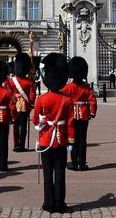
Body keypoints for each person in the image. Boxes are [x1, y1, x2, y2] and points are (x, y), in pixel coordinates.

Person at [33, 53, 75, 214]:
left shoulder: (42, 99)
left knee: (47, 172)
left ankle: (48, 202)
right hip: (62, 139)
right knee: (60, 172)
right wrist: (71, 140)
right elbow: (70, 121)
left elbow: (35, 120)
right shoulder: (67, 99)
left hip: (46, 139)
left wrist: (43, 121)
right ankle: (60, 203)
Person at [62, 56, 97, 171]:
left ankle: (73, 162)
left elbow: (64, 102)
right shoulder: (86, 87)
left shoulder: (67, 88)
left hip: (71, 115)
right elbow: (92, 100)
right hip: (84, 115)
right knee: (82, 140)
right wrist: (92, 113)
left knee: (71, 139)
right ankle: (82, 163)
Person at [6, 53, 36, 152]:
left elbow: (8, 91)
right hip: (25, 106)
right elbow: (32, 95)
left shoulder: (11, 81)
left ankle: (16, 145)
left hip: (14, 104)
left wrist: (13, 99)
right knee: (23, 126)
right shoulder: (29, 82)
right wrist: (31, 104)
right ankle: (22, 145)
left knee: (15, 125)